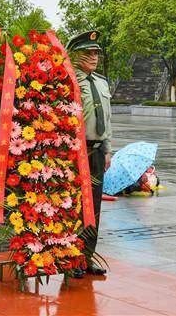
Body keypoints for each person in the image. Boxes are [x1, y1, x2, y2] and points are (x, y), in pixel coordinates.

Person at [66, 30, 112, 279]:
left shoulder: (101, 82)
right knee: (75, 207)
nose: (94, 57)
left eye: (96, 53)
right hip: (76, 152)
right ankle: (72, 259)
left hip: (96, 151)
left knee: (93, 207)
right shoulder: (70, 81)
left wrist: (107, 149)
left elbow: (108, 119)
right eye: (88, 53)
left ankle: (86, 257)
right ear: (76, 54)